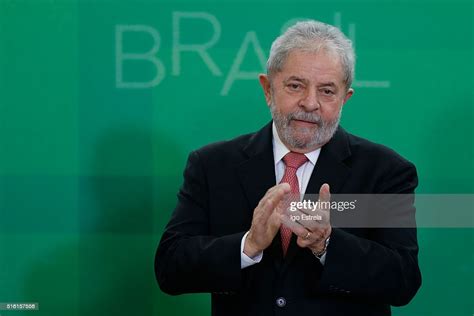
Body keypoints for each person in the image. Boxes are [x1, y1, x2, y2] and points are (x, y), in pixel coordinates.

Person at [154, 20, 421, 316]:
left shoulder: (385, 172)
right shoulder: (212, 165)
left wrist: (327, 244)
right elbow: (170, 268)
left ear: (346, 99)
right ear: (268, 89)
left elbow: (404, 279)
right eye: (296, 86)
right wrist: (249, 245)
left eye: (327, 91)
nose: (310, 103)